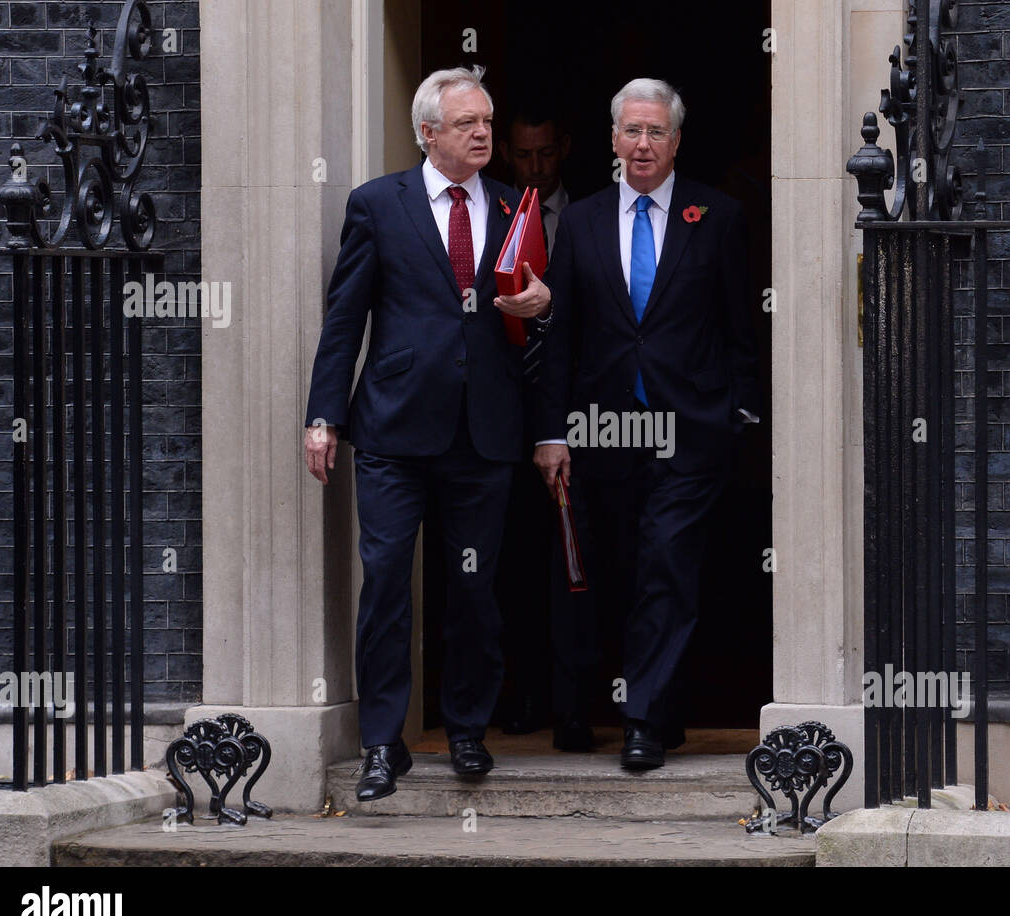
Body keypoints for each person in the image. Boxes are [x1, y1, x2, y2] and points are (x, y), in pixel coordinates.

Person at [303, 66, 550, 800]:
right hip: (393, 433)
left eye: (487, 121)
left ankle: (468, 729)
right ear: (428, 132)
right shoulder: (379, 204)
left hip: (484, 433)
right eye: (467, 122)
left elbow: (538, 328)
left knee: (473, 587)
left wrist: (542, 306)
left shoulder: (513, 206)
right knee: (385, 585)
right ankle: (382, 744)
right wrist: (325, 416)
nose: (483, 133)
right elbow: (345, 319)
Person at [530, 78, 762, 770]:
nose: (642, 144)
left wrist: (739, 415)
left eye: (656, 131)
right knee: (611, 571)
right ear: (611, 140)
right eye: (631, 131)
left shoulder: (715, 216)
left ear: (677, 141)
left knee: (667, 562)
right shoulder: (581, 222)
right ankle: (608, 704)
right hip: (601, 432)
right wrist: (552, 433)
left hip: (688, 431)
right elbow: (561, 337)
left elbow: (737, 328)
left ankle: (642, 722)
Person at [493, 108, 599, 751]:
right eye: (523, 156)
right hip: (504, 412)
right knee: (513, 562)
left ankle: (574, 704)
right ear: (509, 153)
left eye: (545, 155)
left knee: (575, 563)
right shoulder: (496, 215)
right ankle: (522, 692)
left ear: (563, 148)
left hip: (582, 411)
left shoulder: (589, 218)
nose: (535, 168)